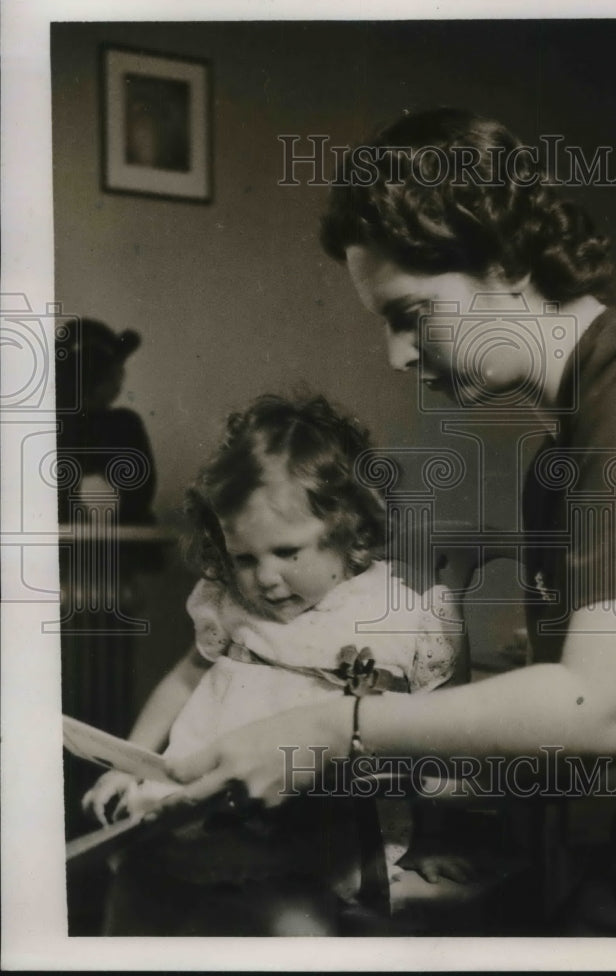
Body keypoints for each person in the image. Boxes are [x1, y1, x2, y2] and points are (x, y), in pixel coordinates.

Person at [161, 109, 616, 936]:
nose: (397, 357)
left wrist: (326, 728)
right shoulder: (556, 461)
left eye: (409, 314)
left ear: (509, 260)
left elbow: (606, 707)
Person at [82, 392, 468, 935]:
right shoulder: (230, 605)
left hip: (317, 827)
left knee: (289, 921)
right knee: (145, 890)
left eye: (288, 553)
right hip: (206, 808)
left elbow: (436, 737)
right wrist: (131, 760)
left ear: (351, 528)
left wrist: (437, 837)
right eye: (244, 557)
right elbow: (186, 676)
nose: (264, 578)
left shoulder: (395, 612)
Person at [56, 317, 156, 524]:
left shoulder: (53, 425)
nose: (120, 381)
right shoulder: (124, 424)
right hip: (116, 536)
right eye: (114, 375)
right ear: (95, 380)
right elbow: (140, 492)